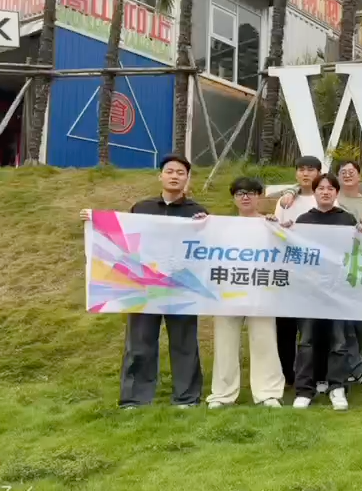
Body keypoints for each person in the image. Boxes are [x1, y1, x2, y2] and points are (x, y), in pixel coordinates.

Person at [81, 154, 206, 409]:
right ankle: (135, 398)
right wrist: (95, 220)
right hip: (143, 285)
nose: (174, 176)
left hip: (182, 286)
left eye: (180, 173)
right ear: (160, 176)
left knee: (184, 343)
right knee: (140, 342)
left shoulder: (198, 213)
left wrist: (206, 226)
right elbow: (123, 237)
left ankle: (186, 398)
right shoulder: (142, 208)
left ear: (187, 178)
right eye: (169, 171)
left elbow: (208, 246)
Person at [205, 177, 285, 409]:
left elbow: (287, 250)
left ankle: (268, 393)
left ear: (259, 196)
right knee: (225, 343)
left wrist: (279, 228)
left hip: (262, 290)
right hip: (228, 292)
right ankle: (222, 394)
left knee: (264, 341)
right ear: (234, 198)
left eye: (251, 192)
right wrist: (201, 224)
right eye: (240, 193)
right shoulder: (221, 226)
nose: (245, 197)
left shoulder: (270, 224)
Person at [281, 173, 357, 411]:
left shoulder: (347, 219)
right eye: (321, 188)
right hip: (310, 290)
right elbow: (297, 255)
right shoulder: (304, 220)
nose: (325, 192)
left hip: (338, 289)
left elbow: (355, 251)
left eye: (330, 188)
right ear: (314, 192)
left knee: (339, 341)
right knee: (307, 341)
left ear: (336, 193)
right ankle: (304, 390)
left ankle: (337, 387)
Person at [274, 155, 324, 388]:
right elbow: (276, 230)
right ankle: (288, 374)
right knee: (285, 327)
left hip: (316, 272)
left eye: (311, 169)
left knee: (313, 328)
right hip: (288, 269)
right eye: (302, 169)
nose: (306, 174)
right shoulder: (286, 201)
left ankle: (314, 374)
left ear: (319, 173)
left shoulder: (324, 196)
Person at [335, 159, 362, 387]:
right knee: (340, 322)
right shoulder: (331, 198)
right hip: (333, 266)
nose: (348, 175)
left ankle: (356, 362)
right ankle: (351, 365)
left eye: (352, 172)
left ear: (359, 176)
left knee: (359, 320)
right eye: (343, 172)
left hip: (359, 266)